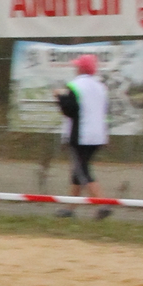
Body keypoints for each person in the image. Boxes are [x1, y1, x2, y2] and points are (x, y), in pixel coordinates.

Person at [56, 51, 109, 216]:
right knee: (77, 171)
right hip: (98, 135)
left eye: (77, 66)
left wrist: (60, 98)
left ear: (80, 68)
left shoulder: (74, 85)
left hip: (81, 135)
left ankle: (103, 205)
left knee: (82, 171)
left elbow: (70, 111)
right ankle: (69, 209)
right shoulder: (101, 87)